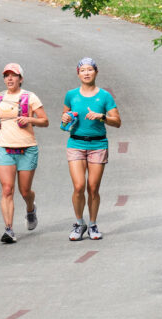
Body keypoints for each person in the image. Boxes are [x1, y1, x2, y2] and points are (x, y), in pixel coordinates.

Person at [0, 63, 49, 243]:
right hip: (4, 148)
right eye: (6, 75)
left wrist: (30, 119)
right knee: (7, 189)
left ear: (20, 79)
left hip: (27, 149)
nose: (9, 78)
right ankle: (8, 229)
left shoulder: (30, 97)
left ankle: (30, 209)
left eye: (13, 75)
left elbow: (45, 121)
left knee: (24, 191)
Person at [61, 57, 121, 241]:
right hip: (76, 144)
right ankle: (79, 223)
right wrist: (65, 119)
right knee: (79, 186)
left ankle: (93, 225)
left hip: (97, 144)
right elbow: (64, 117)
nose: (86, 73)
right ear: (78, 73)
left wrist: (101, 116)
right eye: (83, 70)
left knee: (93, 188)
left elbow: (117, 122)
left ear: (96, 72)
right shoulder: (71, 95)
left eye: (90, 70)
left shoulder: (104, 96)